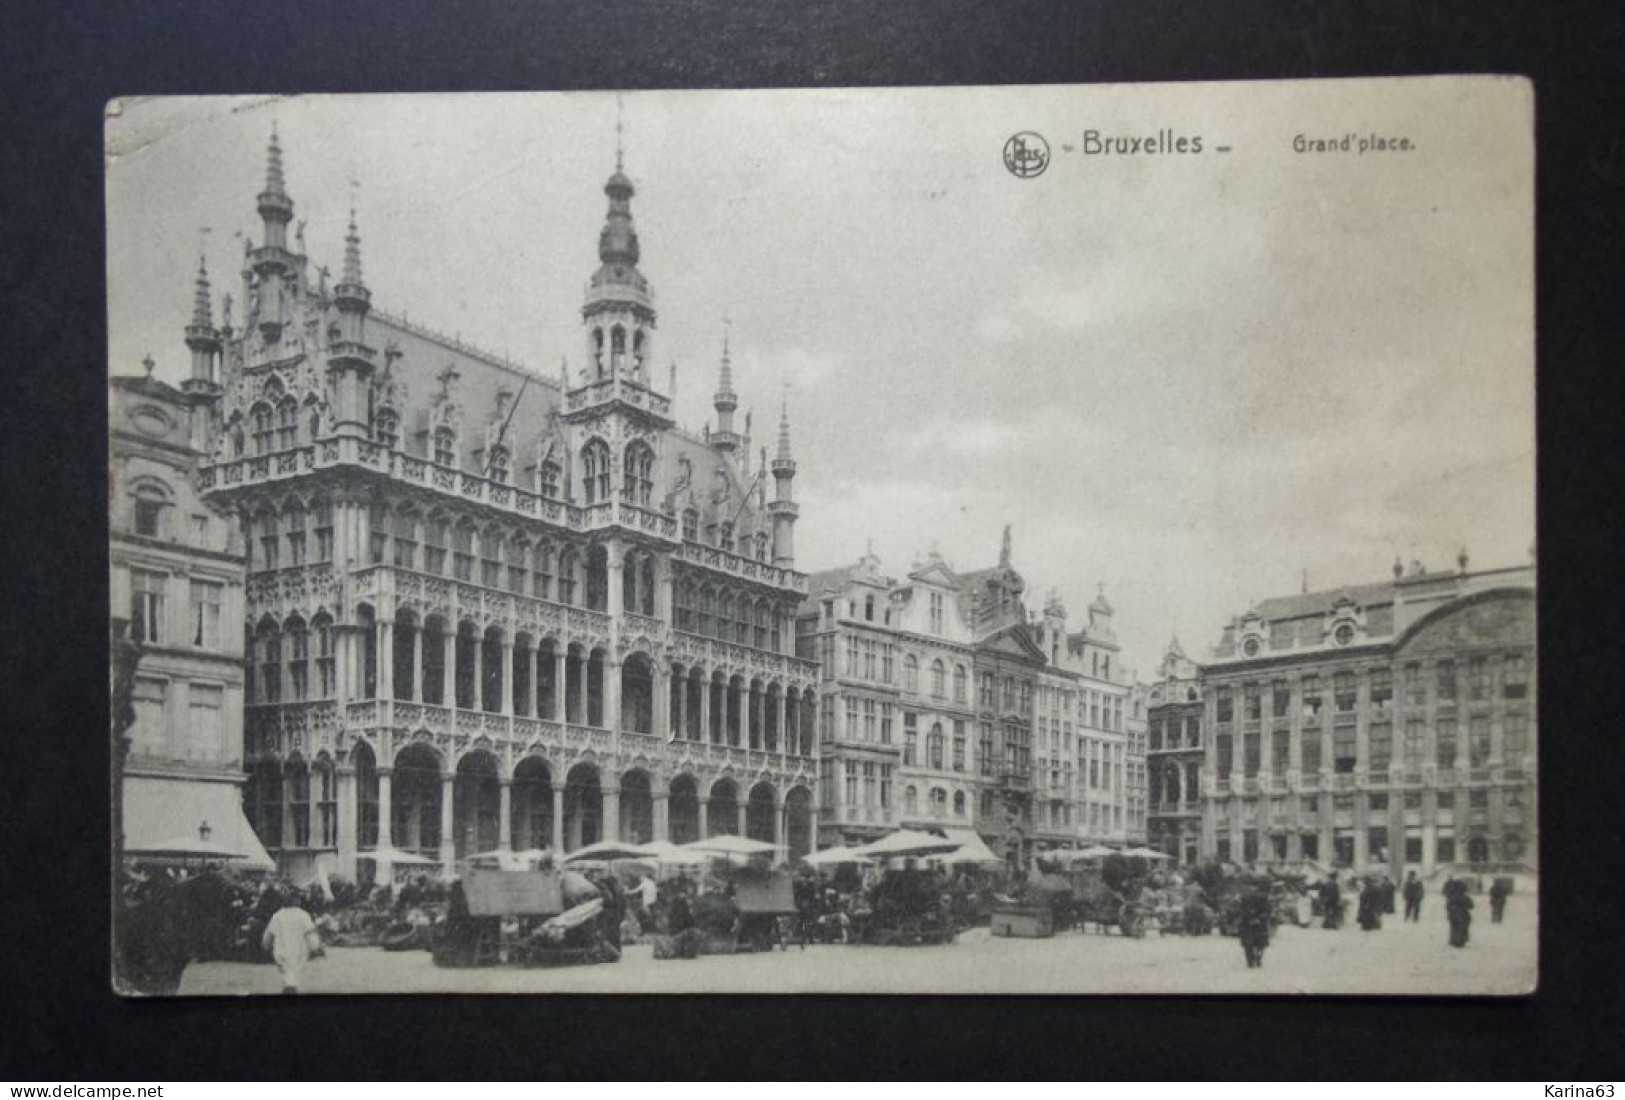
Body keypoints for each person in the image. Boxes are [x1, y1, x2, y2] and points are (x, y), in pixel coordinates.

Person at [260, 889, 323, 994]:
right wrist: (315, 946)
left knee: (286, 973)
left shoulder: (277, 915)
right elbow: (310, 933)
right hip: (298, 950)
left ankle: (289, 988)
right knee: (293, 974)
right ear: (297, 901)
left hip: (281, 950)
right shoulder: (303, 915)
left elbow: (269, 933)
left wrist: (265, 945)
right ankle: (290, 988)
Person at [1237, 882, 1273, 968]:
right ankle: (1254, 959)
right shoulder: (1263, 899)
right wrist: (1260, 919)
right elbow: (1268, 911)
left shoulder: (1247, 899)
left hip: (1251, 924)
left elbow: (1241, 911)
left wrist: (1254, 918)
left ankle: (1254, 959)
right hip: (1254, 924)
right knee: (1255, 944)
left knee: (1254, 943)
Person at [1444, 877, 1474, 948]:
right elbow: (1471, 905)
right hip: (1463, 915)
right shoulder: (1464, 897)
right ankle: (1461, 941)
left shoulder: (1451, 897)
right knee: (1462, 929)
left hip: (1453, 915)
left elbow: (1448, 906)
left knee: (1454, 928)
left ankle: (1454, 940)